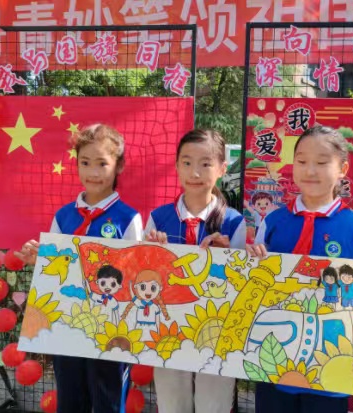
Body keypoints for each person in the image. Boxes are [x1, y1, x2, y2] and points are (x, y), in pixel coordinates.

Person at [246, 124, 353, 413]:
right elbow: (255, 284)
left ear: (342, 169)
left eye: (321, 163)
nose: (310, 170)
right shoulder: (273, 222)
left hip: (330, 363)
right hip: (273, 359)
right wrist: (251, 264)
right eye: (302, 161)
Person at [15, 124, 143, 413]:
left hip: (110, 330)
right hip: (67, 326)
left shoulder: (129, 219)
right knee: (70, 401)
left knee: (108, 401)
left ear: (119, 166)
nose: (93, 172)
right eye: (85, 163)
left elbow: (133, 277)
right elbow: (53, 275)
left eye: (102, 163)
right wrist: (39, 260)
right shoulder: (63, 216)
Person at [145, 129, 246, 413]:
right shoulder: (158, 218)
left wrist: (227, 257)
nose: (195, 172)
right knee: (171, 402)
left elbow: (239, 286)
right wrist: (153, 253)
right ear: (176, 166)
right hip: (167, 328)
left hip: (217, 331)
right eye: (187, 162)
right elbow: (143, 276)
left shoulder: (233, 222)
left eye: (206, 163)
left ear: (222, 169)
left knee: (214, 404)